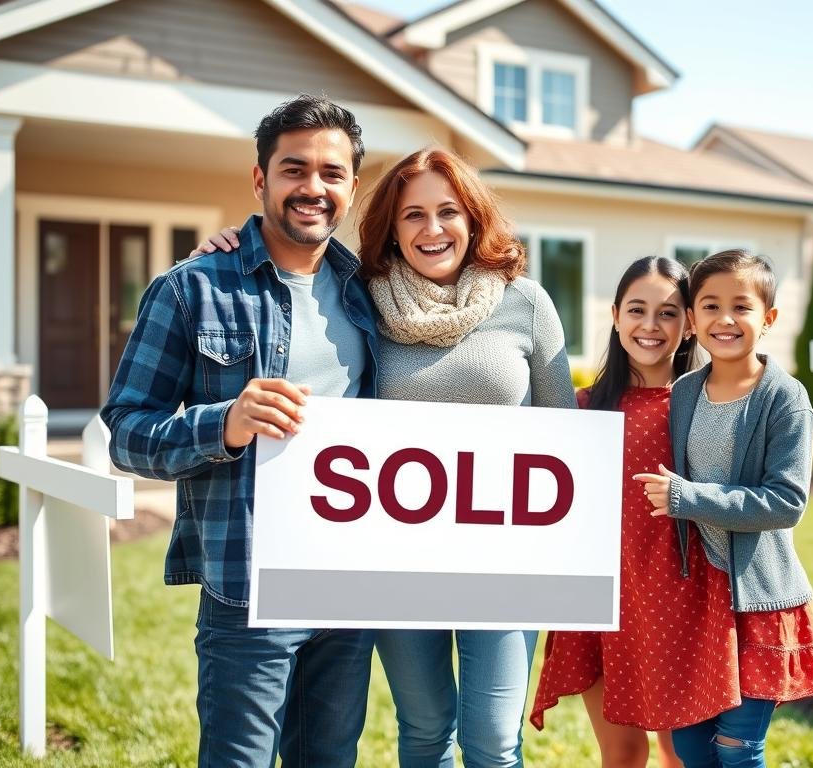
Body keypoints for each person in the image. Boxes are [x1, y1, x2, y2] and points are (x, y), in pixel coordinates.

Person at [194, 146, 577, 768]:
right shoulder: (361, 296)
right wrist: (231, 249)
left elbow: (562, 431)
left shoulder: (525, 303)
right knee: (425, 730)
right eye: (413, 215)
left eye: (448, 211)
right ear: (391, 229)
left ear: (474, 218)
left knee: (493, 739)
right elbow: (291, 267)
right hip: (398, 556)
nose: (432, 230)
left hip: (504, 557)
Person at [101, 94, 379, 768]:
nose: (313, 187)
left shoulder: (370, 291)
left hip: (350, 581)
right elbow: (126, 432)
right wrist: (223, 424)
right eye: (294, 169)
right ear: (260, 180)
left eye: (331, 173)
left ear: (352, 187)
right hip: (250, 582)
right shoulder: (190, 289)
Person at [529, 256, 742, 768]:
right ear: (616, 315)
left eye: (667, 313)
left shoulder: (706, 406)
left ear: (689, 324)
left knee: (680, 750)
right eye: (637, 310)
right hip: (601, 596)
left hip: (681, 596)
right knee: (621, 750)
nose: (650, 326)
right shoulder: (579, 409)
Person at [637, 249, 813, 768]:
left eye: (741, 306)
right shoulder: (684, 393)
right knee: (691, 746)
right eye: (711, 306)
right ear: (693, 320)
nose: (725, 319)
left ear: (767, 318)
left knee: (737, 747)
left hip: (756, 600)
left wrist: (686, 497)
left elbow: (786, 502)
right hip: (695, 602)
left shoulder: (784, 398)